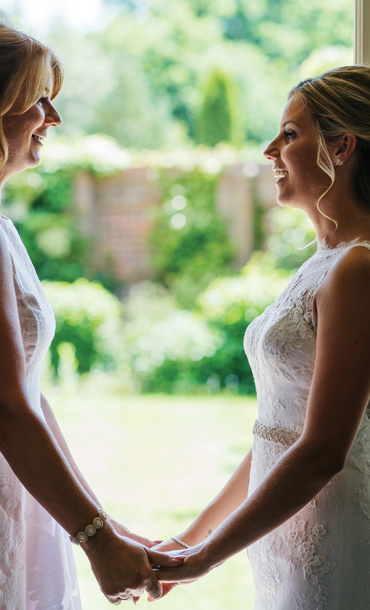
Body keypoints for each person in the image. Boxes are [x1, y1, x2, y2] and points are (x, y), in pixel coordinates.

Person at [154, 65, 370, 609]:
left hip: (333, 531)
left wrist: (206, 558)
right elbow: (278, 432)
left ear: (342, 148)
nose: (270, 149)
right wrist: (191, 538)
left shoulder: (358, 269)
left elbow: (322, 450)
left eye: (290, 134)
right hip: (283, 532)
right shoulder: (324, 263)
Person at [0, 21, 184, 609]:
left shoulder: (5, 229)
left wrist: (99, 522)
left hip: (26, 487)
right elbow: (5, 405)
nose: (53, 119)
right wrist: (97, 541)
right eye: (39, 101)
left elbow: (28, 396)